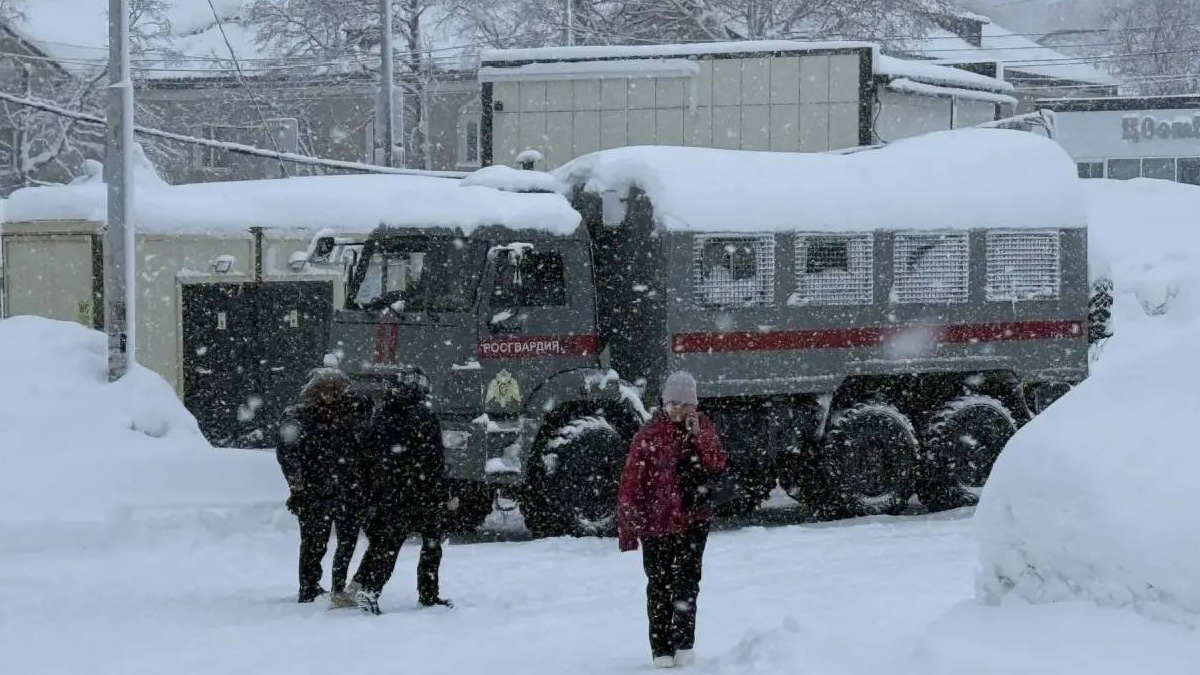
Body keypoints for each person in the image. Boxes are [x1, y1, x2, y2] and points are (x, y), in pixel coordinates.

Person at [617, 371, 728, 669]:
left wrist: (699, 435)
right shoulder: (649, 436)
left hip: (694, 521)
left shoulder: (702, 430)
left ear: (694, 404)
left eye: (685, 403)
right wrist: (629, 529)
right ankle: (661, 649)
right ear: (663, 402)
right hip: (657, 524)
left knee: (688, 584)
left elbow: (718, 463)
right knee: (659, 584)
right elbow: (631, 485)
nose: (678, 409)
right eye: (673, 402)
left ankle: (684, 644)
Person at [352, 366, 454, 615]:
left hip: (391, 489)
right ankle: (428, 593)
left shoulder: (383, 414)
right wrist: (442, 490)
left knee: (389, 542)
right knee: (431, 543)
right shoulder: (424, 417)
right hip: (422, 489)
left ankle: (370, 587)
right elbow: (434, 458)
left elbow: (369, 453)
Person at [276, 368, 371, 603]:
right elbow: (367, 449)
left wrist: (297, 488)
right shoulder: (355, 412)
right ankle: (335, 586)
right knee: (341, 540)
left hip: (318, 489)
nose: (328, 395)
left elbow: (288, 455)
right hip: (345, 487)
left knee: (314, 542)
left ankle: (310, 587)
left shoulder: (299, 415)